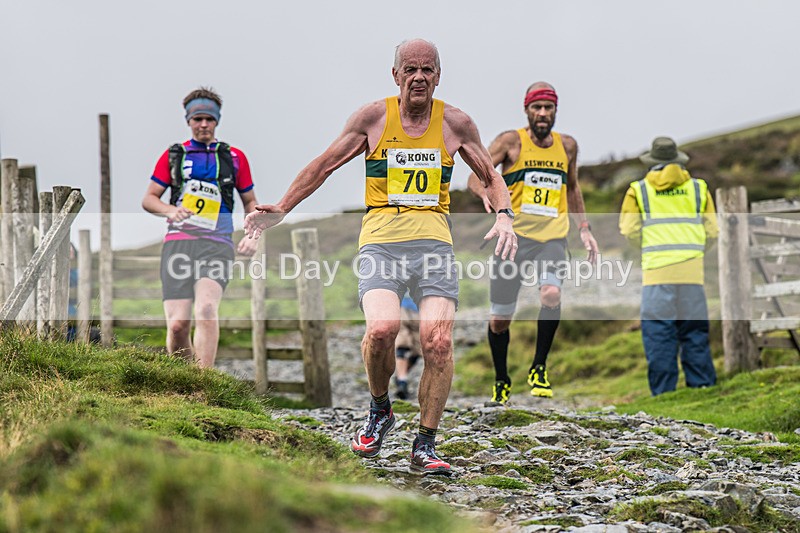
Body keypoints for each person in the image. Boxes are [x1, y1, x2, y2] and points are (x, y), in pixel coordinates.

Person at [245, 39, 517, 475]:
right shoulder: (373, 118)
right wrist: (282, 207)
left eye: (428, 70)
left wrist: (504, 215)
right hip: (381, 240)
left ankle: (425, 444)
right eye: (410, 69)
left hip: (434, 243)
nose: (419, 78)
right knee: (383, 329)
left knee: (438, 342)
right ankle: (380, 408)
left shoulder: (456, 123)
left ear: (438, 76)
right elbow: (324, 164)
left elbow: (491, 175)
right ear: (395, 76)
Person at [467, 82, 598, 404]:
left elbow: (573, 188)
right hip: (513, 238)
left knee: (551, 293)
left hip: (552, 237)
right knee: (500, 319)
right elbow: (474, 175)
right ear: (526, 110)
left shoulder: (567, 146)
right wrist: (486, 193)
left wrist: (584, 228)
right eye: (536, 108)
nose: (542, 114)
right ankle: (502, 379)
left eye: (548, 108)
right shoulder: (511, 142)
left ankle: (539, 367)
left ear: (555, 111)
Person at [142, 87, 259, 368]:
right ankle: (183, 379)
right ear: (188, 121)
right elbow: (149, 199)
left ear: (217, 120)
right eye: (198, 119)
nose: (203, 124)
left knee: (206, 309)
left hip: (216, 243)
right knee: (178, 326)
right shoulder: (174, 156)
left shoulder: (234, 158)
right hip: (178, 244)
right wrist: (172, 209)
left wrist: (253, 235)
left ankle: (203, 383)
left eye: (209, 119)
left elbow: (251, 201)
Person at [619, 136, 718, 396]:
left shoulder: (638, 190)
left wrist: (648, 249)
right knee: (694, 333)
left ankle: (665, 396)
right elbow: (713, 231)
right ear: (678, 159)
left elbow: (629, 230)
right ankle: (703, 389)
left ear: (652, 161)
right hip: (692, 275)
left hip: (656, 275)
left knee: (659, 335)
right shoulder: (698, 188)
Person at [394, 292, 422, 400]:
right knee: (403, 344)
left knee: (418, 351)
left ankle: (400, 375)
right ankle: (402, 381)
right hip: (401, 306)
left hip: (420, 309)